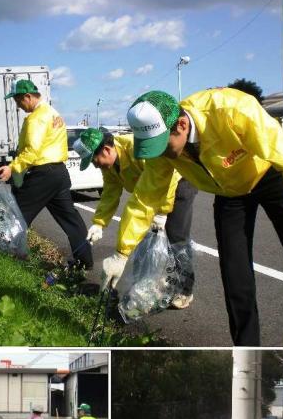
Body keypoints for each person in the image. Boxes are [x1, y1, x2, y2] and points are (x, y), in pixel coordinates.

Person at [117, 88, 283, 345]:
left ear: (181, 125)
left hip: (269, 174)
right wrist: (121, 252)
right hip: (229, 193)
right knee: (234, 273)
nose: (161, 154)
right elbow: (145, 198)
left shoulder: (231, 110)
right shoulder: (164, 152)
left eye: (164, 146)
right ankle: (247, 348)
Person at [73, 127, 197, 308]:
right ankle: (160, 280)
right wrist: (99, 223)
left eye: (94, 161)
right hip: (153, 191)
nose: (96, 165)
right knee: (152, 241)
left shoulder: (137, 148)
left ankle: (185, 291)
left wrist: (161, 212)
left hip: (178, 182)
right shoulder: (110, 165)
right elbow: (110, 192)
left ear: (106, 150)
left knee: (176, 236)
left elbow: (165, 177)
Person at [0, 79, 93, 269]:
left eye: (18, 101)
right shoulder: (53, 113)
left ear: (28, 97)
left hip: (43, 174)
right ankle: (84, 262)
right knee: (70, 219)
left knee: (17, 213)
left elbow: (32, 150)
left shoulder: (36, 118)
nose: (18, 106)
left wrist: (12, 168)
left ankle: (6, 257)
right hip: (59, 173)